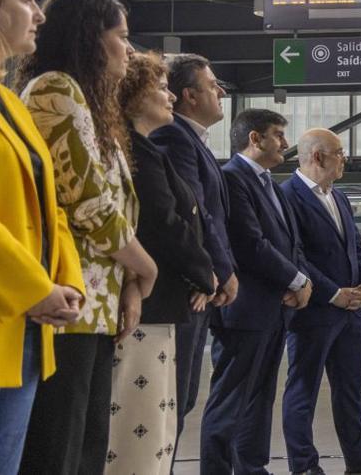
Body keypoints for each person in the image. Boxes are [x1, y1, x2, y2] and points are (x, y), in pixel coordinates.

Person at [16, 0, 158, 474]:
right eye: (121, 37)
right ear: (89, 39)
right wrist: (145, 266)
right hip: (66, 298)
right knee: (59, 445)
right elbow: (88, 201)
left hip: (98, 300)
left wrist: (130, 288)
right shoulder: (56, 88)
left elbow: (117, 200)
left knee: (89, 442)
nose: (129, 50)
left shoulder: (97, 109)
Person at [107, 52, 216, 473]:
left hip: (165, 301)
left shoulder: (145, 149)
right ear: (134, 96)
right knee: (143, 420)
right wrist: (205, 272)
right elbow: (165, 222)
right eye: (161, 88)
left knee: (164, 415)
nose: (169, 95)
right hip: (147, 305)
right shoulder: (138, 151)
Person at [0, 0, 86, 475]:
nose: (40, 14)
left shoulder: (10, 103)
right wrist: (37, 289)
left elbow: (48, 206)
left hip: (25, 326)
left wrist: (65, 283)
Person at [280, 129, 361, 475]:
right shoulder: (287, 196)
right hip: (313, 314)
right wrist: (334, 294)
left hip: (350, 315)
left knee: (350, 391)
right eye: (339, 152)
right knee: (302, 391)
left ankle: (360, 459)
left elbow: (357, 248)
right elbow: (296, 257)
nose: (344, 159)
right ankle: (304, 466)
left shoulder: (340, 197)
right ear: (318, 156)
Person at [201, 108, 311, 474]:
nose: (284, 143)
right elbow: (251, 244)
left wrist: (299, 283)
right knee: (230, 400)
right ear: (254, 139)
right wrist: (296, 280)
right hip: (243, 311)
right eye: (278, 134)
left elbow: (289, 244)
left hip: (272, 310)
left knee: (259, 398)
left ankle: (251, 467)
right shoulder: (233, 179)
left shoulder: (268, 183)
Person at [150, 53, 238, 454]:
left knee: (181, 400)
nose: (221, 93)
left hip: (200, 287)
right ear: (188, 95)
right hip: (185, 288)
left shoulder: (195, 141)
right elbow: (193, 214)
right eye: (212, 85)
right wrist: (213, 271)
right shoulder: (173, 138)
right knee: (169, 403)